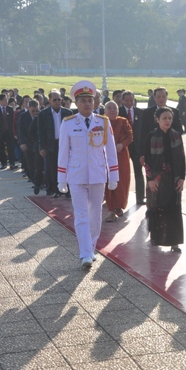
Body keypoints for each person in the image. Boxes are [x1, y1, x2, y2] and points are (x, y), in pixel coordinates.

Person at [57, 80, 119, 269]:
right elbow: (63, 152)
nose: (86, 104)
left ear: (95, 103)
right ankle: (84, 253)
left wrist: (113, 176)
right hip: (76, 175)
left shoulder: (103, 122)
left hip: (98, 174)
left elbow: (110, 150)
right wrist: (61, 178)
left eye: (90, 101)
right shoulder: (68, 123)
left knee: (95, 215)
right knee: (81, 215)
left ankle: (91, 247)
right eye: (83, 101)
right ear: (76, 103)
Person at [145, 107, 186, 252]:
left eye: (170, 118)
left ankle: (174, 242)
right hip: (158, 178)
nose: (167, 121)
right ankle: (156, 237)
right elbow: (147, 160)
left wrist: (182, 178)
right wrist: (150, 179)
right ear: (157, 120)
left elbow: (182, 158)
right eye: (164, 118)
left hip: (173, 177)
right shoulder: (151, 136)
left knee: (174, 209)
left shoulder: (176, 135)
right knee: (157, 208)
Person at [35, 89, 72, 196]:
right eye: (54, 99)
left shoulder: (68, 113)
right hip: (51, 144)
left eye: (59, 99)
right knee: (52, 168)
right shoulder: (43, 114)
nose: (57, 101)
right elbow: (40, 132)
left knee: (67, 166)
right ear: (50, 100)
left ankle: (67, 189)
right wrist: (42, 147)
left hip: (65, 144)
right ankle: (55, 189)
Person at [103, 101, 133, 222]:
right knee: (109, 181)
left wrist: (122, 144)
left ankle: (119, 206)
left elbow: (130, 136)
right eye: (109, 108)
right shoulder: (101, 122)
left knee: (122, 181)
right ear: (104, 111)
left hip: (121, 156)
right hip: (106, 157)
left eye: (114, 108)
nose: (112, 110)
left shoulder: (123, 121)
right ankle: (111, 210)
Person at [120, 91, 145, 205]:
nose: (129, 103)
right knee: (121, 174)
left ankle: (140, 197)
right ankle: (119, 199)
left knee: (139, 172)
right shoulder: (118, 112)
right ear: (122, 100)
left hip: (137, 148)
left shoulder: (140, 112)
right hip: (122, 147)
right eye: (127, 100)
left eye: (131, 100)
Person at [0, 94, 17, 170]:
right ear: (0, 101)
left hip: (9, 132)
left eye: (7, 99)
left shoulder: (10, 109)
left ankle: (12, 163)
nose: (6, 101)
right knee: (1, 148)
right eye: (4, 100)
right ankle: (3, 163)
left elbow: (13, 121)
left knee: (10, 148)